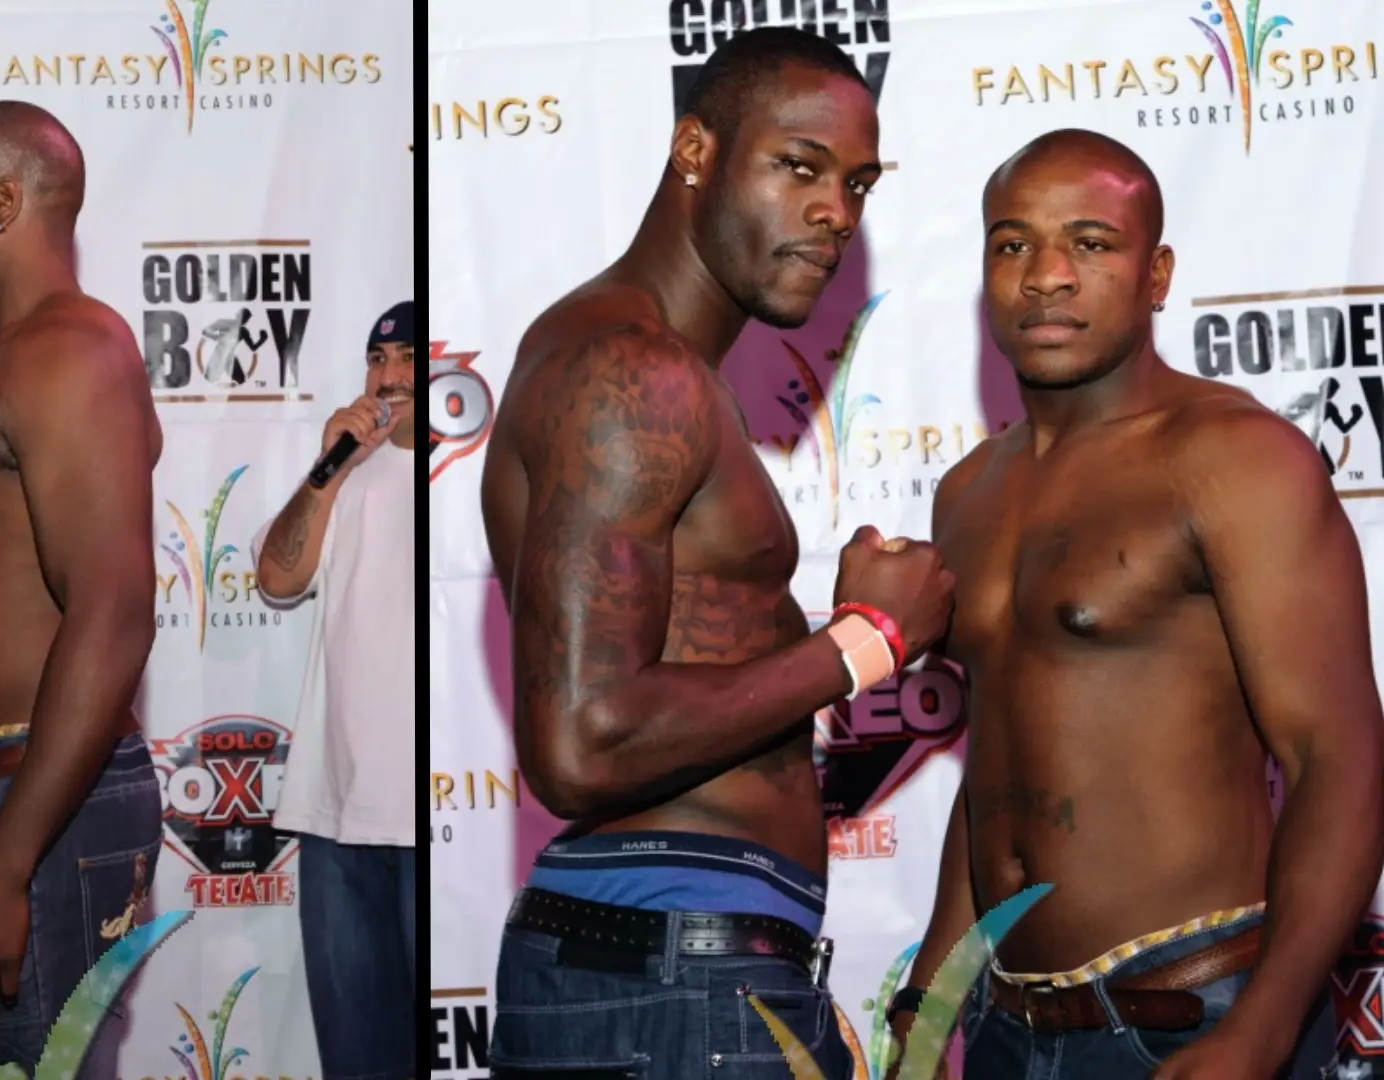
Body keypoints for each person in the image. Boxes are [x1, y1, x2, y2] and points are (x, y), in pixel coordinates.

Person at [476, 27, 955, 1079]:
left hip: (665, 969)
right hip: (675, 976)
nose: (837, 210)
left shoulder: (646, 364)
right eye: (799, 165)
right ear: (695, 149)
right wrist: (867, 644)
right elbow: (582, 745)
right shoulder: (631, 369)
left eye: (858, 183)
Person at [885, 128, 1382, 1080]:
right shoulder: (966, 493)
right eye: (1012, 243)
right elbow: (997, 763)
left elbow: (1340, 758)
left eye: (1091, 242)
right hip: (1003, 1026)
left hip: (1190, 1016)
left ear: (1156, 275)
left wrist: (1262, 1030)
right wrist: (927, 1002)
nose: (1047, 275)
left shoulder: (1235, 458)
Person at [0, 99, 163, 1080]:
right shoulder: (30, 353)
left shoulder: (66, 348)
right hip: (14, 806)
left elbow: (113, 611)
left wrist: (6, 867)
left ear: (6, 201)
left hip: (34, 814)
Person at [250, 299, 416, 1080]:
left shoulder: (472, 469)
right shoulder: (344, 476)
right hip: (333, 818)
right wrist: (327, 471)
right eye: (376, 362)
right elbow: (277, 579)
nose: (388, 378)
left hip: (432, 822)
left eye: (407, 358)